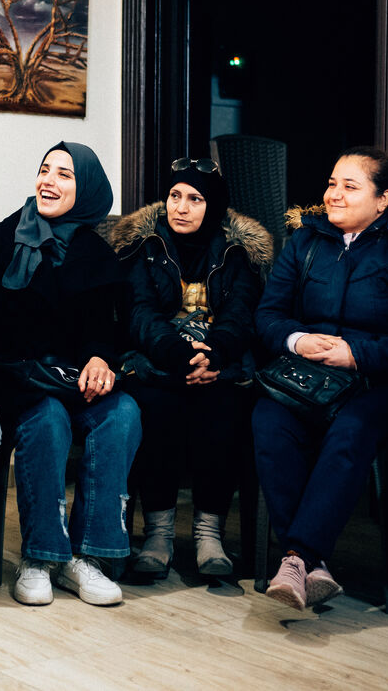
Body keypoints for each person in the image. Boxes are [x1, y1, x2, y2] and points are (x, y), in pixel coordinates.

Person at [0, 142, 141, 606]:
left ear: (85, 188)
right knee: (48, 416)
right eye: (44, 170)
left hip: (69, 378)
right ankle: (40, 556)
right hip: (12, 376)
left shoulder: (96, 253)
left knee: (123, 411)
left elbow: (102, 327)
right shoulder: (0, 236)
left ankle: (87, 558)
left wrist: (99, 359)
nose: (48, 181)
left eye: (64, 174)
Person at [253, 145, 388, 610]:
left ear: (384, 199)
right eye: (332, 183)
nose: (333, 194)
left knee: (350, 431)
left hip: (373, 382)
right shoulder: (305, 240)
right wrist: (297, 340)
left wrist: (357, 354)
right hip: (304, 376)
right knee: (268, 421)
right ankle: (309, 564)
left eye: (349, 186)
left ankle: (297, 557)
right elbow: (268, 314)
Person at [107, 157, 272, 578]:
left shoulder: (238, 251)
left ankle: (208, 534)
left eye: (195, 199)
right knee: (156, 407)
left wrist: (214, 353)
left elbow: (241, 314)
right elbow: (139, 312)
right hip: (157, 360)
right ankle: (158, 534)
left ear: (212, 205)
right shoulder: (143, 245)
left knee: (225, 407)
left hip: (218, 362)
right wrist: (177, 354)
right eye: (174, 196)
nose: (180, 208)